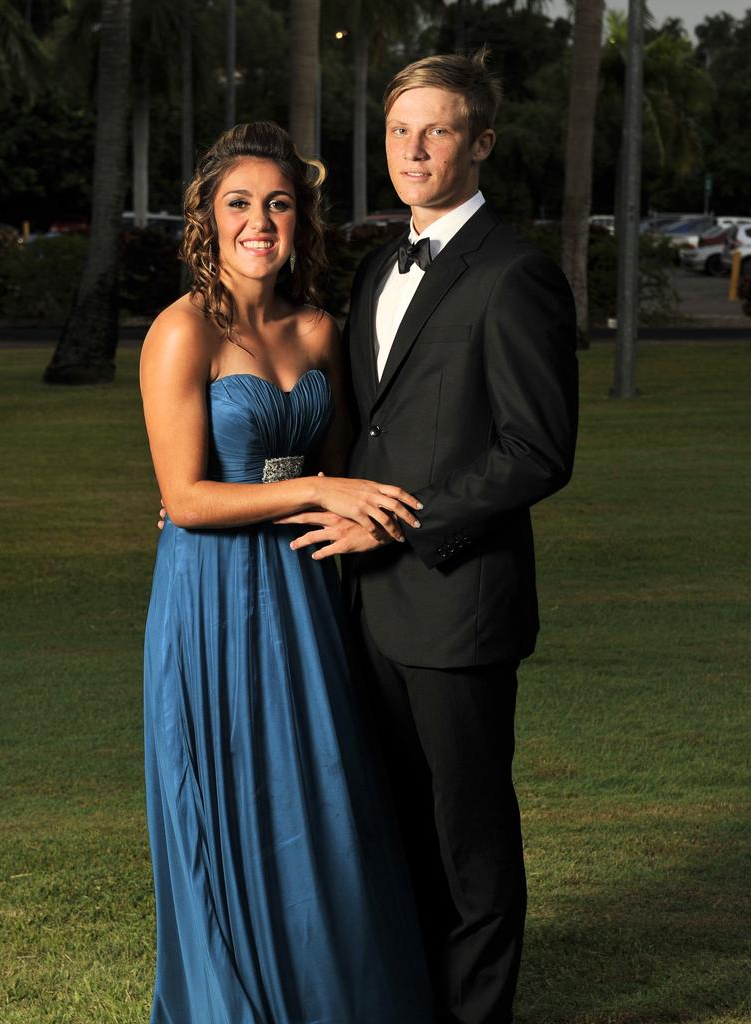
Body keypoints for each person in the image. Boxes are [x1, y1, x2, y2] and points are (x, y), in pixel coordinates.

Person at [283, 51, 579, 1024]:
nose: (414, 149)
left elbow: (536, 449)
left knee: (470, 841)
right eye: (400, 130)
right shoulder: (376, 265)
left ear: (481, 143)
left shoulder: (516, 272)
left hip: (458, 602)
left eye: (439, 129)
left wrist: (402, 519)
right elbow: (357, 428)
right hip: (367, 610)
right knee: (398, 825)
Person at [140, 121, 434, 1024]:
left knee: (315, 793)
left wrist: (333, 495)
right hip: (209, 597)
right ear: (208, 219)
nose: (260, 220)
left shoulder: (319, 330)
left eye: (278, 203)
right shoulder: (182, 331)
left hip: (306, 595)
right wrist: (316, 486)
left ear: (300, 219)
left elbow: (339, 475)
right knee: (224, 799)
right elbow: (186, 498)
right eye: (240, 204)